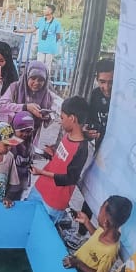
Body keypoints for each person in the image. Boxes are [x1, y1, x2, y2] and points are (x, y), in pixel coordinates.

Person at [29, 96, 90, 224]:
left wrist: (41, 172)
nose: (60, 122)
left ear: (72, 118)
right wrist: (52, 153)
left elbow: (69, 179)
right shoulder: (67, 135)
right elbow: (62, 160)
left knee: (42, 227)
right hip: (41, 188)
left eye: (62, 118)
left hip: (54, 200)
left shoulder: (81, 148)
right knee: (27, 215)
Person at [63, 195, 133, 272]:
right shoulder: (105, 230)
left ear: (105, 222)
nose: (98, 212)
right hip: (74, 264)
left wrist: (78, 264)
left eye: (100, 211)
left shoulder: (110, 252)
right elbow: (95, 236)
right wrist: (86, 221)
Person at [0, 60, 60, 139]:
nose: (36, 82)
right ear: (27, 76)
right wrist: (25, 107)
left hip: (31, 136)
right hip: (10, 133)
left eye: (41, 80)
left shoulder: (48, 95)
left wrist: (47, 116)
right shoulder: (15, 88)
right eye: (33, 78)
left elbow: (55, 113)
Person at [86, 57, 114, 146]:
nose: (107, 87)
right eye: (102, 82)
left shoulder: (125, 99)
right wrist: (88, 134)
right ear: (96, 80)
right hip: (101, 149)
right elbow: (88, 127)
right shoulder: (93, 97)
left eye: (111, 82)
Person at [34, 3, 63, 76]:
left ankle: (46, 80)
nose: (43, 10)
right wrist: (19, 30)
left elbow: (58, 35)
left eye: (45, 9)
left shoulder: (56, 23)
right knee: (39, 65)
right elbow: (32, 29)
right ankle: (38, 79)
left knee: (47, 66)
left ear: (50, 11)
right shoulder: (41, 20)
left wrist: (52, 42)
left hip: (50, 48)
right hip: (41, 47)